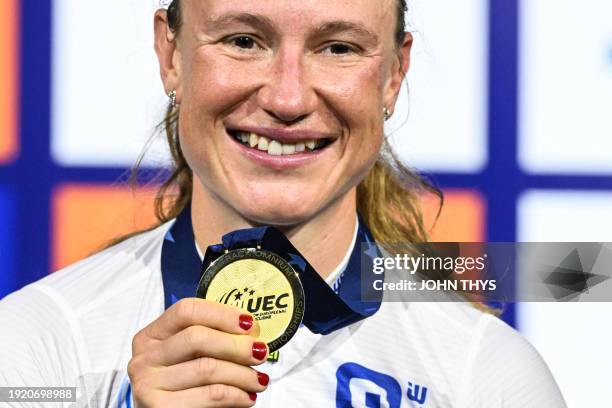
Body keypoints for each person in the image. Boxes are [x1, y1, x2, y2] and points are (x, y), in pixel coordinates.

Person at [0, 0, 567, 407]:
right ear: (171, 53)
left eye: (338, 47)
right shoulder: (37, 350)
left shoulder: (484, 377)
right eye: (244, 40)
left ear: (394, 73)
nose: (288, 98)